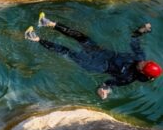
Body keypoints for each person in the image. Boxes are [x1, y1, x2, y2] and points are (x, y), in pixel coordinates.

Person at [25, 12, 160, 99]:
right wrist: (140, 32)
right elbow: (134, 41)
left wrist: (103, 90)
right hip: (101, 53)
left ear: (142, 71)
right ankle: (48, 23)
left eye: (143, 65)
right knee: (81, 37)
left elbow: (109, 83)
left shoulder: (128, 78)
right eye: (146, 62)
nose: (142, 61)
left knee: (67, 52)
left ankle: (35, 39)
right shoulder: (140, 57)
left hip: (94, 65)